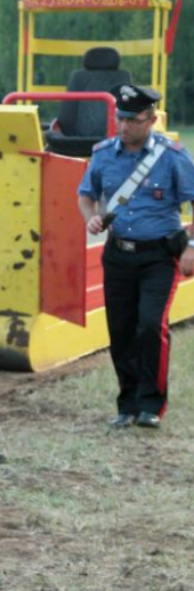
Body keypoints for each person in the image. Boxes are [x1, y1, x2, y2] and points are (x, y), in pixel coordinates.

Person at [78, 83, 194, 430]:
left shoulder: (172, 156)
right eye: (120, 117)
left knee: (149, 325)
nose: (124, 125)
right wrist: (92, 218)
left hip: (158, 256)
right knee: (121, 329)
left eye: (132, 119)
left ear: (152, 119)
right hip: (117, 255)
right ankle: (126, 404)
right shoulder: (102, 154)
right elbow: (86, 194)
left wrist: (191, 248)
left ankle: (151, 405)